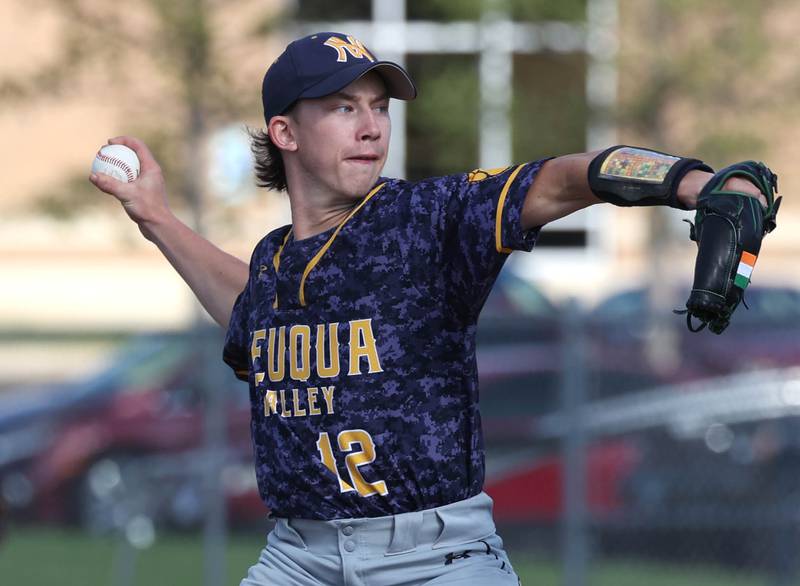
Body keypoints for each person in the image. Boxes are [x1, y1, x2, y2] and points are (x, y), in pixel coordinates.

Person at [90, 31, 768, 586]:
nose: (371, 125)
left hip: (433, 560)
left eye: (379, 107)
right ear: (285, 132)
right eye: (343, 107)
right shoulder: (273, 262)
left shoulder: (426, 219)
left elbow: (564, 179)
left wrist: (696, 183)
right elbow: (248, 311)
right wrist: (154, 217)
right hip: (297, 558)